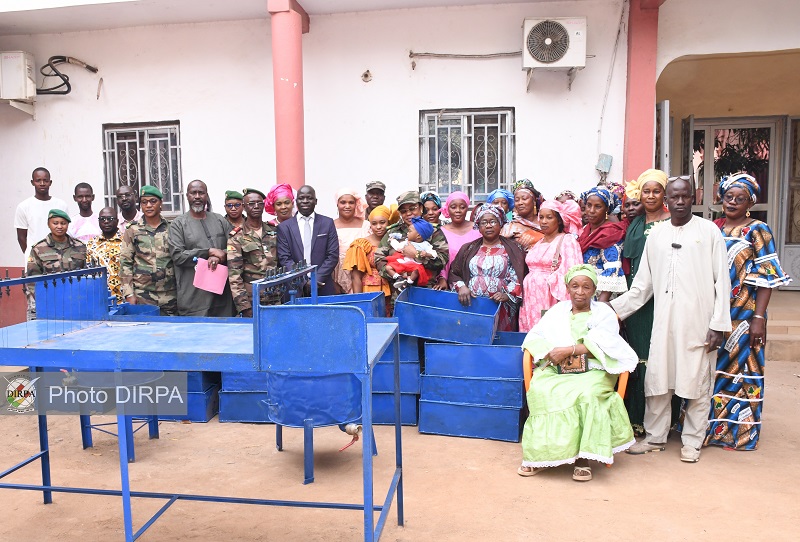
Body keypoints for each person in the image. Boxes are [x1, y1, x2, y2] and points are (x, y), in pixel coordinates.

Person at [610, 177, 731, 463]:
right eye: (674, 197)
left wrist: (718, 324)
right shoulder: (658, 235)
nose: (679, 202)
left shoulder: (709, 231)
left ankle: (692, 441)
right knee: (659, 377)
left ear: (692, 198)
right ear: (668, 200)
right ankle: (655, 436)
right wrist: (612, 312)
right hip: (663, 320)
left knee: (698, 380)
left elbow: (722, 282)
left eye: (685, 197)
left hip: (699, 321)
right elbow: (642, 286)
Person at [518, 264, 638, 481]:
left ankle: (583, 458)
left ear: (594, 290)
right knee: (541, 389)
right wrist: (550, 351)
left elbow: (607, 343)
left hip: (595, 370)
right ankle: (539, 456)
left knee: (587, 393)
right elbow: (534, 337)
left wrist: (571, 349)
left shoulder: (604, 313)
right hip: (557, 369)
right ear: (567, 288)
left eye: (586, 287)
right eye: (575, 286)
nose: (580, 292)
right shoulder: (557, 311)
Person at [705, 173, 791, 451]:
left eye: (739, 199)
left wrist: (758, 319)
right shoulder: (713, 228)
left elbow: (766, 276)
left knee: (743, 373)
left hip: (744, 315)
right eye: (729, 196)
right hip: (715, 313)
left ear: (749, 203)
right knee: (712, 373)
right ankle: (707, 431)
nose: (732, 202)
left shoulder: (758, 230)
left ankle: (739, 434)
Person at [620, 169, 671, 436]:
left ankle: (661, 422)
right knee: (637, 353)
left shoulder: (671, 222)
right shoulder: (636, 223)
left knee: (658, 356)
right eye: (646, 191)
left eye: (656, 191)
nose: (650, 196)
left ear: (664, 194)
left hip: (663, 295)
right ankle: (636, 418)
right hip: (635, 295)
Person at [449, 204, 526, 331]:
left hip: (501, 307)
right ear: (478, 226)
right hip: (472, 305)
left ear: (500, 223)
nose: (488, 225)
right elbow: (454, 272)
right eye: (484, 222)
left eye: (493, 221)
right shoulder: (468, 249)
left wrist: (507, 295)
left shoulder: (513, 248)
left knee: (499, 342)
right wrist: (461, 286)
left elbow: (519, 275)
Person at [168, 180, 234, 317]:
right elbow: (178, 256)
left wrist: (221, 255)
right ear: (187, 196)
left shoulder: (219, 220)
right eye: (193, 193)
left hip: (222, 300)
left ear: (206, 196)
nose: (197, 196)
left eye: (201, 193)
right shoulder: (178, 224)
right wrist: (207, 252)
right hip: (194, 300)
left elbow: (236, 248)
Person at [518, 199, 583, 332]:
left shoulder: (567, 240)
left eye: (549, 217)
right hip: (530, 297)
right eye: (541, 217)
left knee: (548, 334)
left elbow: (572, 271)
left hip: (551, 297)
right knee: (531, 333)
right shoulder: (539, 242)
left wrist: (564, 302)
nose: (544, 221)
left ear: (559, 220)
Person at [374, 191, 449, 298]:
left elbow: (443, 259)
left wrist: (417, 255)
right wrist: (397, 274)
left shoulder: (432, 231)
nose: (408, 213)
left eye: (412, 208)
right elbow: (378, 258)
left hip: (426, 291)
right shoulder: (393, 232)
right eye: (404, 211)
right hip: (399, 293)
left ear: (421, 208)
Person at [119, 186, 177, 316]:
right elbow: (125, 263)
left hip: (169, 294)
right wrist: (129, 293)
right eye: (144, 202)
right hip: (143, 295)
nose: (149, 205)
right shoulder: (133, 230)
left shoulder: (172, 228)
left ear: (160, 203)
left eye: (153, 201)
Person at [277, 185, 339, 296]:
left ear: (315, 201)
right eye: (301, 198)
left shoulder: (327, 223)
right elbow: (285, 259)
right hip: (295, 287)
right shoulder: (284, 227)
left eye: (309, 198)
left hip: (322, 285)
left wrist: (316, 280)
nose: (305, 201)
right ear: (296, 201)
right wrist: (304, 281)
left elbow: (332, 255)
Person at [227, 188, 279, 317]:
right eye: (251, 203)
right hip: (252, 299)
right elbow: (234, 276)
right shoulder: (237, 237)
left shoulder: (274, 231)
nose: (256, 206)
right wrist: (244, 306)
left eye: (259, 203)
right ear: (244, 207)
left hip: (276, 297)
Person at [578, 186, 628, 301]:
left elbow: (613, 269)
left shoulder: (610, 232)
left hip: (601, 294)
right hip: (583, 292)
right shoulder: (586, 230)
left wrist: (600, 305)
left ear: (606, 209)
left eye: (598, 207)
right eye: (589, 205)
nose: (591, 210)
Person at [343, 205, 395, 305]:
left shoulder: (396, 242)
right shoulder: (362, 244)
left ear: (389, 223)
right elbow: (356, 277)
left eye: (382, 222)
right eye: (374, 224)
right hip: (370, 292)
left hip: (393, 290)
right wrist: (359, 302)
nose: (378, 227)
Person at [15, 167, 69, 262]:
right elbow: (21, 237)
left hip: (59, 258)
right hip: (35, 259)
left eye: (45, 180)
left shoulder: (61, 204)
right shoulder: (23, 206)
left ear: (50, 182)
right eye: (38, 180)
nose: (42, 183)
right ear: (32, 182)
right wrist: (31, 255)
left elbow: (66, 231)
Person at [434, 191, 481, 289]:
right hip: (451, 285)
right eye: (453, 207)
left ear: (467, 208)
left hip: (476, 283)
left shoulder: (478, 229)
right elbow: (441, 259)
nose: (458, 210)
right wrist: (442, 279)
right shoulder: (441, 232)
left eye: (462, 207)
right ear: (448, 208)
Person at [26, 209, 87, 277]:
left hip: (76, 287)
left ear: (67, 225)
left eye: (63, 223)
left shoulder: (80, 246)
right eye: (55, 223)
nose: (59, 227)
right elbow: (33, 278)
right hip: (50, 287)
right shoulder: (38, 249)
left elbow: (88, 273)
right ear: (48, 224)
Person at [333, 188, 370, 294]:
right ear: (337, 204)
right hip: (336, 278)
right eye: (343, 202)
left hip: (361, 276)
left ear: (356, 204)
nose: (347, 206)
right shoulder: (330, 225)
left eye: (351, 202)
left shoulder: (366, 226)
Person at [384, 216, 437, 290]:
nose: (407, 233)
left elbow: (434, 254)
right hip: (404, 262)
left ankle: (408, 283)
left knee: (416, 272)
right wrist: (392, 241)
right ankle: (399, 278)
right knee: (388, 267)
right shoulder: (406, 242)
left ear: (418, 235)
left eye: (409, 231)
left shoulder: (425, 245)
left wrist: (426, 254)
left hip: (414, 265)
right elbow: (398, 246)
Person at [86, 207, 125, 303]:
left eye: (110, 219)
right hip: (98, 298)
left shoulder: (126, 241)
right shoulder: (92, 243)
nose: (106, 222)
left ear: (117, 220)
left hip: (122, 298)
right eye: (102, 219)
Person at [501, 179, 544, 251]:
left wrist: (536, 237)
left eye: (524, 199)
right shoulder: (510, 226)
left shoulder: (544, 221)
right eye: (517, 200)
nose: (520, 203)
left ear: (534, 201)